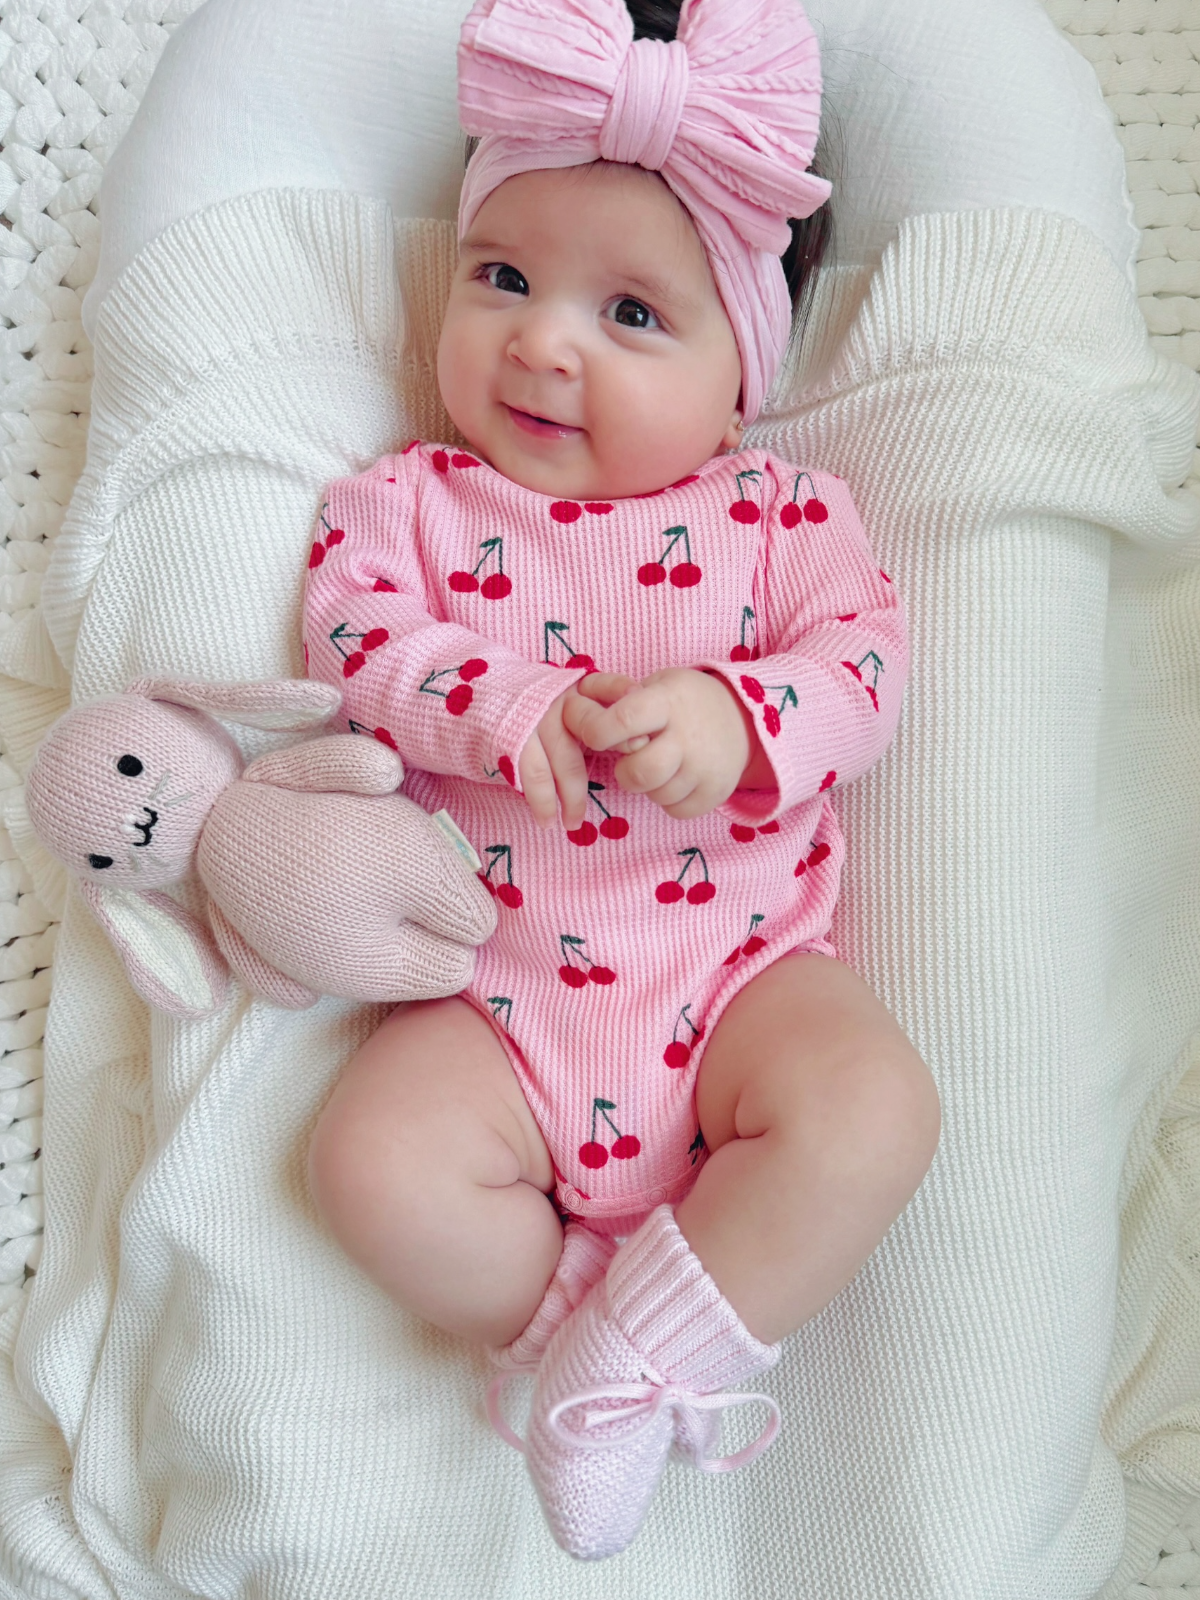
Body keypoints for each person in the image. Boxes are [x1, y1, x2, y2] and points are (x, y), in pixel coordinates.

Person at [303, 0, 940, 1560]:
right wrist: (496, 702)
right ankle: (599, 1350)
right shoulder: (415, 503)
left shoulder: (782, 518)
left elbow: (865, 664)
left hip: (738, 990)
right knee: (367, 1165)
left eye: (633, 315)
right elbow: (352, 636)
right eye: (504, 277)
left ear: (744, 372)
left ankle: (632, 1359)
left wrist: (747, 717)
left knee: (874, 1112)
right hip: (493, 1004)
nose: (542, 340)